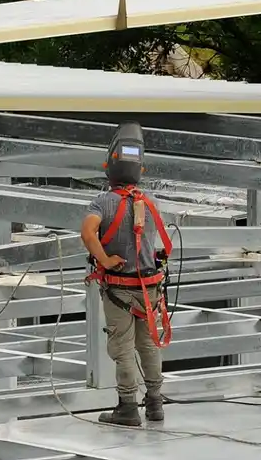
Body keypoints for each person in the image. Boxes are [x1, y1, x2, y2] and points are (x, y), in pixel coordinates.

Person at [81, 123, 173, 428]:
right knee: (148, 344)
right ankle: (155, 404)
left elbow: (88, 232)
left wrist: (105, 260)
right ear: (140, 169)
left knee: (122, 347)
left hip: (119, 288)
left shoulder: (102, 203)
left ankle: (128, 407)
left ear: (108, 167)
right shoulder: (151, 202)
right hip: (149, 287)